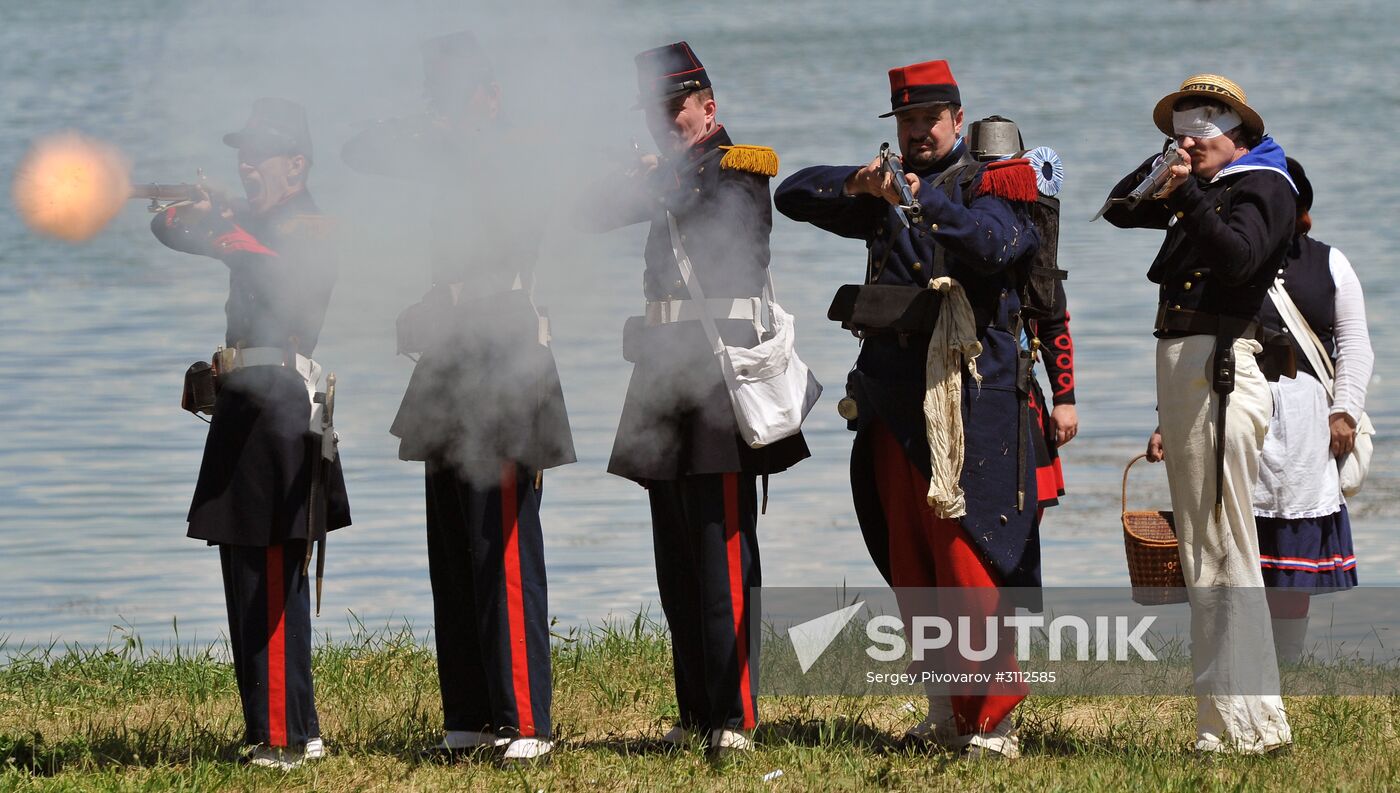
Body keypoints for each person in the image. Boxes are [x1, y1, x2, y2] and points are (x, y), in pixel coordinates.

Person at [775, 60, 1045, 759]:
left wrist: (924, 199)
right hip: (895, 396)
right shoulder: (884, 193)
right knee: (912, 562)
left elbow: (995, 246)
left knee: (969, 561)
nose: (919, 130)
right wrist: (858, 184)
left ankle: (992, 720)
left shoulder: (995, 183)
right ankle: (943, 709)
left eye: (930, 119)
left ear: (958, 119)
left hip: (969, 399)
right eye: (907, 121)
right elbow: (791, 195)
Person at [341, 31, 573, 763]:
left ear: (491, 96)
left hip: (504, 350)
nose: (443, 107)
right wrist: (433, 129)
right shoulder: (442, 150)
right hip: (449, 357)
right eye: (435, 93)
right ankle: (470, 716)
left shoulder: (518, 152)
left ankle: (525, 719)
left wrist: (466, 135)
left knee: (500, 543)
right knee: (452, 544)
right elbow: (360, 149)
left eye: (457, 92)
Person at [578, 41, 810, 756]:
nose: (663, 122)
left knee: (723, 556)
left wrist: (655, 173)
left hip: (713, 376)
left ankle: (735, 714)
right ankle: (696, 709)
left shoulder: (739, 167)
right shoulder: (670, 175)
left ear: (709, 108)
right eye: (655, 112)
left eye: (673, 109)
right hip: (660, 375)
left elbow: (698, 202)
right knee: (677, 558)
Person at [151, 97, 351, 769]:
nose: (247, 164)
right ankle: (278, 725)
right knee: (246, 572)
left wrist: (227, 225)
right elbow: (166, 227)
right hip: (244, 402)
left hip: (282, 406)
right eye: (242, 154)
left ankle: (288, 734)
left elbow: (276, 270)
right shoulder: (254, 219)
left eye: (260, 154)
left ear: (296, 163)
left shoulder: (312, 225)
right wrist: (203, 211)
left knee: (270, 574)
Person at [1105, 74, 1295, 753]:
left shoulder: (1266, 185)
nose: (1188, 141)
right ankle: (1234, 720)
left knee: (1220, 544)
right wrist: (1166, 165)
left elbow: (1240, 258)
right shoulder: (1208, 190)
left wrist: (1186, 190)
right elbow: (1120, 207)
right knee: (1208, 546)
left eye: (1201, 130)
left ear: (1238, 136)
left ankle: (1244, 726)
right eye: (1179, 130)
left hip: (1221, 368)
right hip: (1193, 372)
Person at [1252, 157, 1372, 663]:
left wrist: (1344, 411)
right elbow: (1192, 347)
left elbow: (1355, 344)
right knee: (1237, 556)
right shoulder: (1231, 259)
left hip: (1306, 426)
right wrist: (1164, 421)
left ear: (1299, 208)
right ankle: (1244, 664)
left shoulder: (1330, 262)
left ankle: (1288, 670)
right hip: (1241, 416)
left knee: (1291, 562)